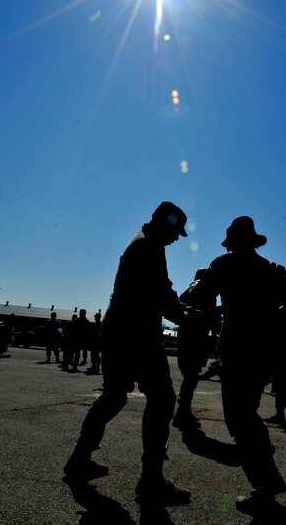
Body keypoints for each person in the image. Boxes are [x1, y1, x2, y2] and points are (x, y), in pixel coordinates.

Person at [64, 201, 193, 506]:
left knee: (114, 396)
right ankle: (151, 481)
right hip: (135, 334)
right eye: (176, 231)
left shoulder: (145, 243)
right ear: (165, 223)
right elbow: (161, 296)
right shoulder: (147, 247)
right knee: (162, 399)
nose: (177, 238)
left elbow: (163, 290)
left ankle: (79, 461)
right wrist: (188, 318)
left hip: (120, 331)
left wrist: (185, 310)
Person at [187, 216, 286, 512]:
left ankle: (266, 482)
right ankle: (265, 472)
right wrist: (281, 317)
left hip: (237, 351)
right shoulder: (271, 269)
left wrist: (196, 282)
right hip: (264, 353)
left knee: (240, 418)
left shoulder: (225, 264)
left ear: (232, 242)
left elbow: (197, 298)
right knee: (247, 414)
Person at [173, 268, 221, 430]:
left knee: (190, 375)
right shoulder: (204, 290)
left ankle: (183, 410)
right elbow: (207, 316)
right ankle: (182, 412)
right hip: (195, 337)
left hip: (187, 336)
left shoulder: (188, 291)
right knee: (192, 376)